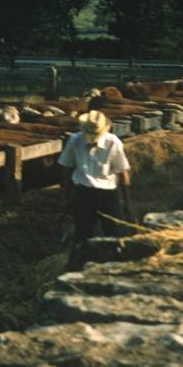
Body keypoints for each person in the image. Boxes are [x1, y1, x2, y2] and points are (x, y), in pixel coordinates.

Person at [58, 110, 133, 257]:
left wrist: (127, 201)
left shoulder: (111, 142)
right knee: (86, 235)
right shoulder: (75, 141)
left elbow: (122, 172)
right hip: (87, 193)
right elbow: (66, 168)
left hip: (102, 194)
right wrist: (66, 195)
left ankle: (109, 265)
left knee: (109, 236)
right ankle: (82, 266)